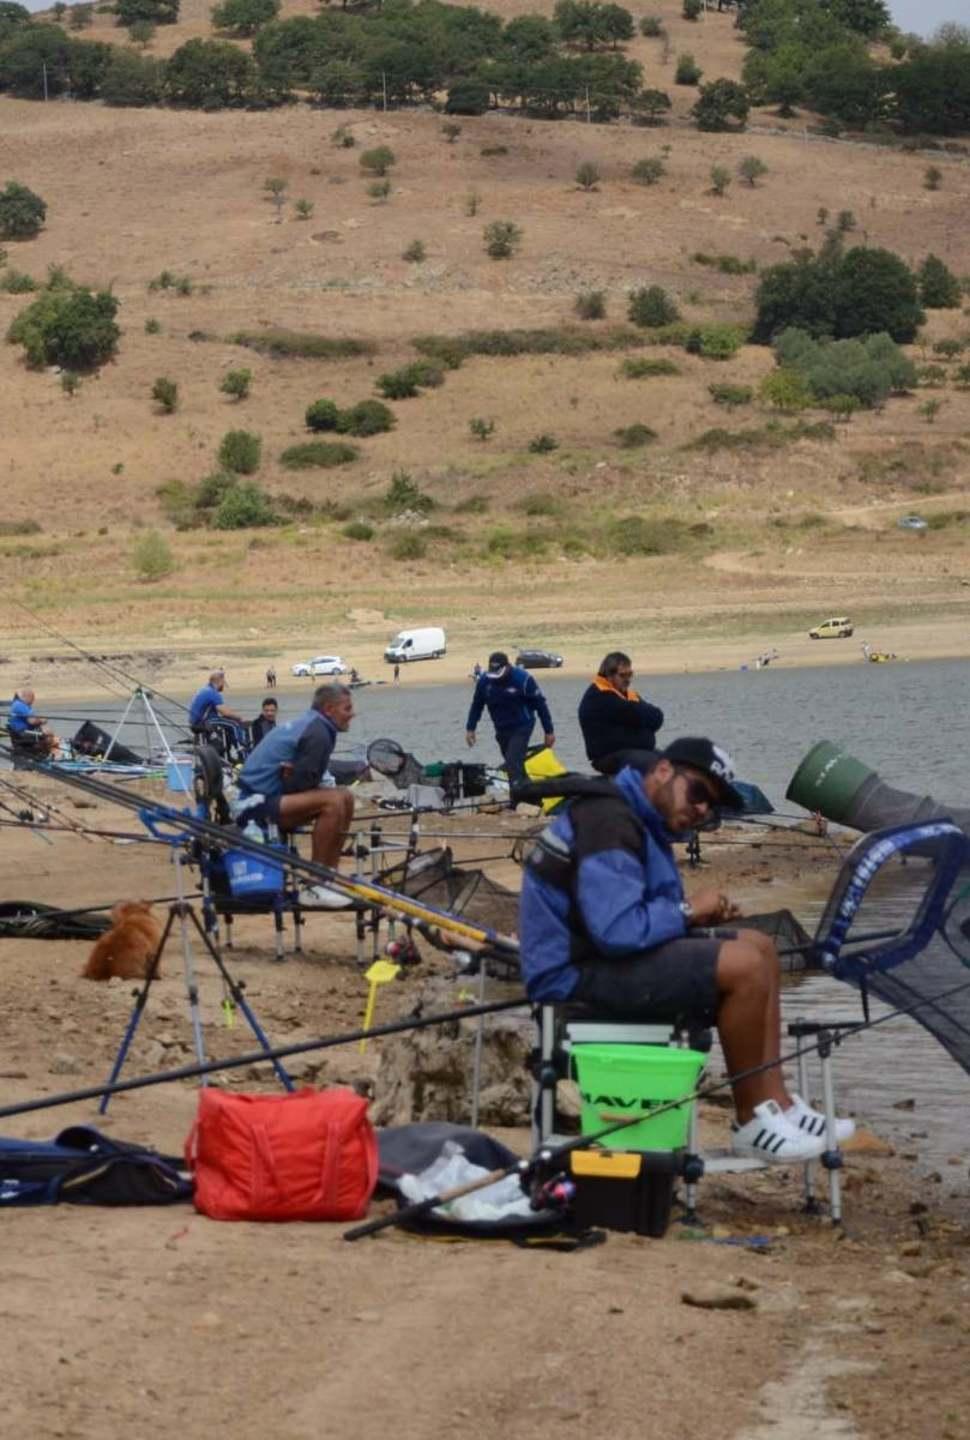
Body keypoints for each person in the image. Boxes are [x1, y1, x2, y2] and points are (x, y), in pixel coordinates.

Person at [519, 736, 855, 1162]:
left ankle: (779, 1105)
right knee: (745, 966)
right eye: (698, 793)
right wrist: (687, 910)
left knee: (761, 947)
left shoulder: (638, 820)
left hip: (600, 960)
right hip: (570, 979)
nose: (701, 811)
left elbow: (628, 917)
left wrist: (693, 917)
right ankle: (751, 1120)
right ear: (663, 771)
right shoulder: (609, 821)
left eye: (711, 807)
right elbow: (617, 930)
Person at [237, 682, 355, 909]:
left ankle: (328, 877)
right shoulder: (318, 732)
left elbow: (300, 782)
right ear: (329, 709)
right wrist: (292, 778)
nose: (352, 714)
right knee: (334, 801)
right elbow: (299, 786)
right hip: (252, 805)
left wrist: (291, 776)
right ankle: (315, 885)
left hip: (269, 798)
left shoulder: (317, 725)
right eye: (347, 709)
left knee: (345, 796)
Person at [465, 651, 555, 791]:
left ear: (507, 667)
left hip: (522, 725)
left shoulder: (522, 679)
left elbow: (540, 705)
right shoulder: (484, 681)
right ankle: (534, 798)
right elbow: (477, 705)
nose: (495, 678)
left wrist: (548, 731)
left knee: (513, 762)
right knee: (515, 765)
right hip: (501, 728)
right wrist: (470, 728)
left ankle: (516, 801)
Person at [578, 651, 664, 775]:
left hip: (634, 752)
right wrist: (645, 725)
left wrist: (643, 721)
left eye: (630, 675)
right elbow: (636, 714)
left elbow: (657, 717)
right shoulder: (600, 696)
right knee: (652, 764)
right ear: (609, 675)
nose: (628, 680)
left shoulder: (626, 694)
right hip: (607, 757)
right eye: (623, 675)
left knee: (672, 762)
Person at [6, 687, 57, 756]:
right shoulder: (21, 706)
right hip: (22, 733)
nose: (33, 701)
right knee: (48, 736)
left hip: (20, 732)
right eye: (32, 698)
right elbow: (32, 721)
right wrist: (42, 721)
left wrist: (40, 721)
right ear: (27, 697)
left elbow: (31, 719)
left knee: (47, 731)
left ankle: (39, 751)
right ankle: (46, 754)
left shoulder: (17, 704)